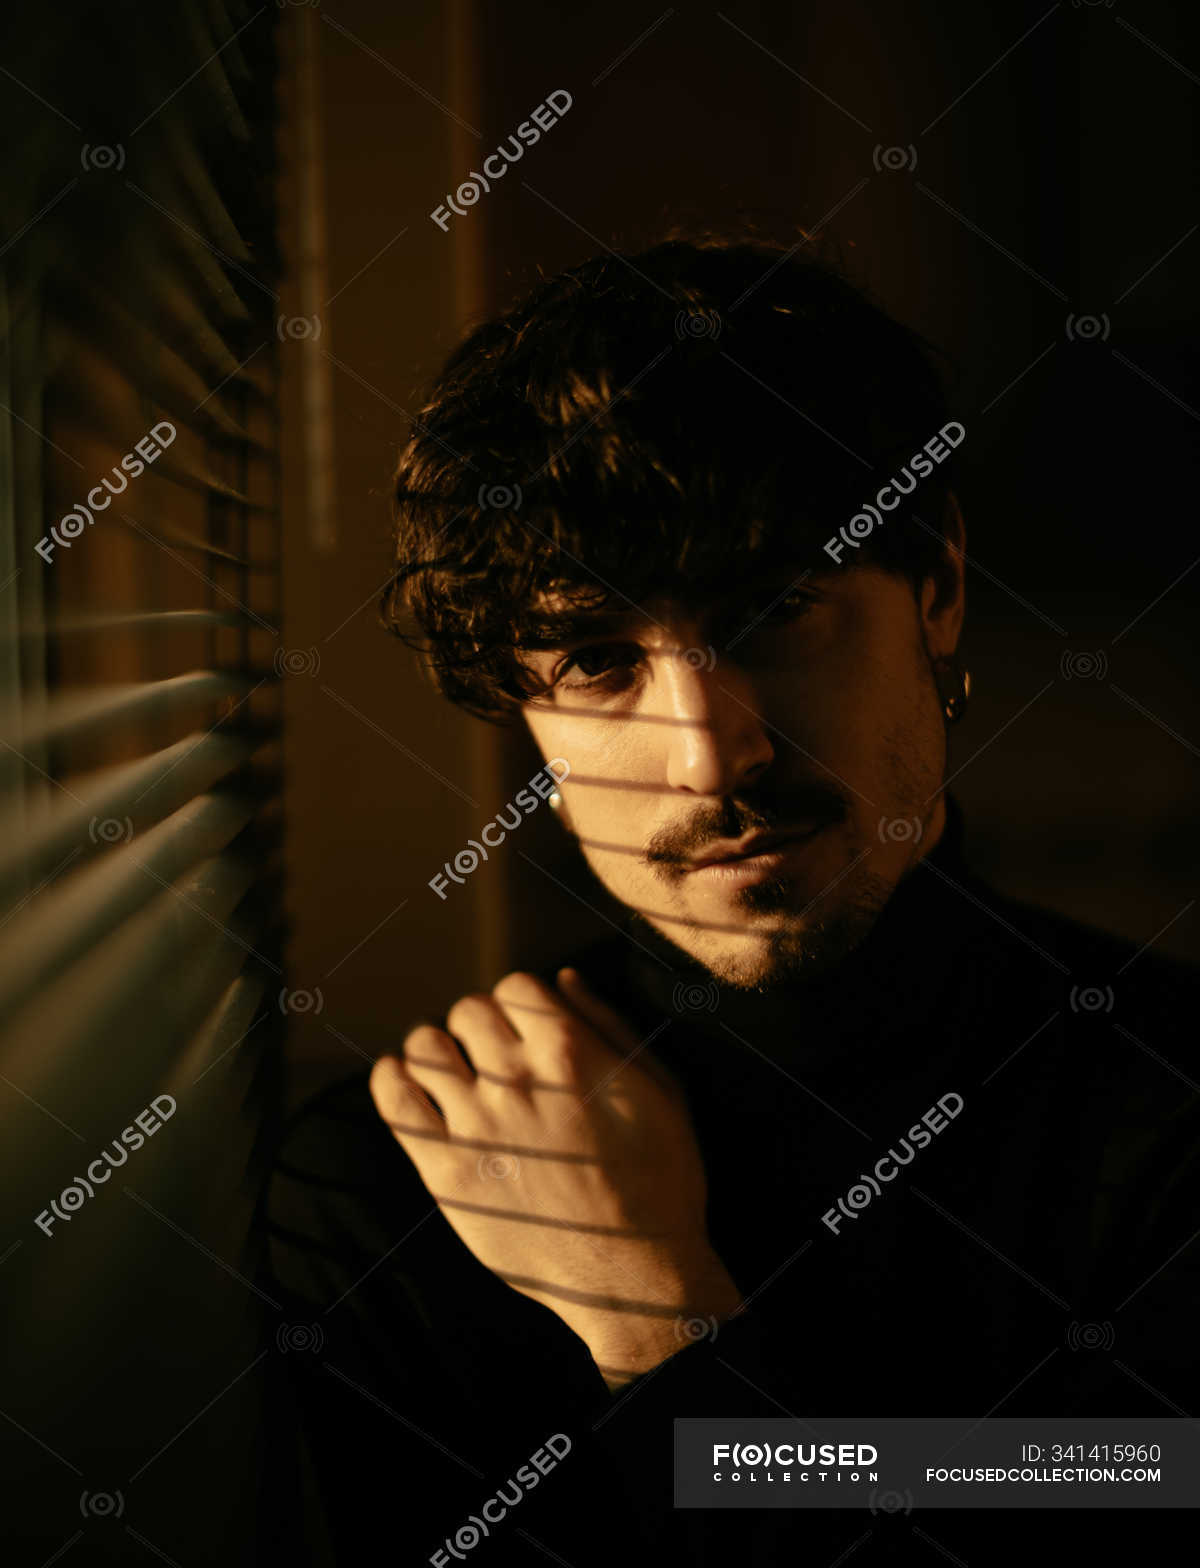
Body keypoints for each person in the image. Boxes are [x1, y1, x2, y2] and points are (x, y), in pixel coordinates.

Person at [265, 232, 1199, 1565]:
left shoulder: (1173, 1126)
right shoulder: (386, 1192)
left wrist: (657, 1326)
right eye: (595, 659)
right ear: (519, 709)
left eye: (773, 612)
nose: (716, 752)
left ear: (933, 590)